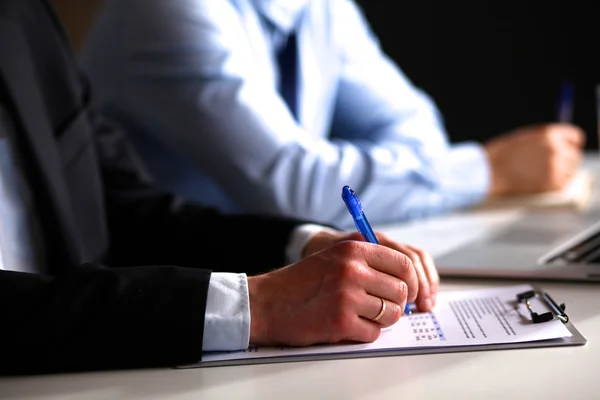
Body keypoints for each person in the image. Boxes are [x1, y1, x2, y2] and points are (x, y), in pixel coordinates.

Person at [0, 0, 438, 375]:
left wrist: (302, 246)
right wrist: (257, 307)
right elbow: (294, 181)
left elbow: (124, 209)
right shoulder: (163, 12)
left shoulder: (22, 15)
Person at [81, 0, 585, 228]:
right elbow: (292, 189)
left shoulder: (318, 6)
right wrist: (489, 169)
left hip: (275, 271)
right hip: (173, 297)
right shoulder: (167, 11)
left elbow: (418, 131)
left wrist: (335, 175)